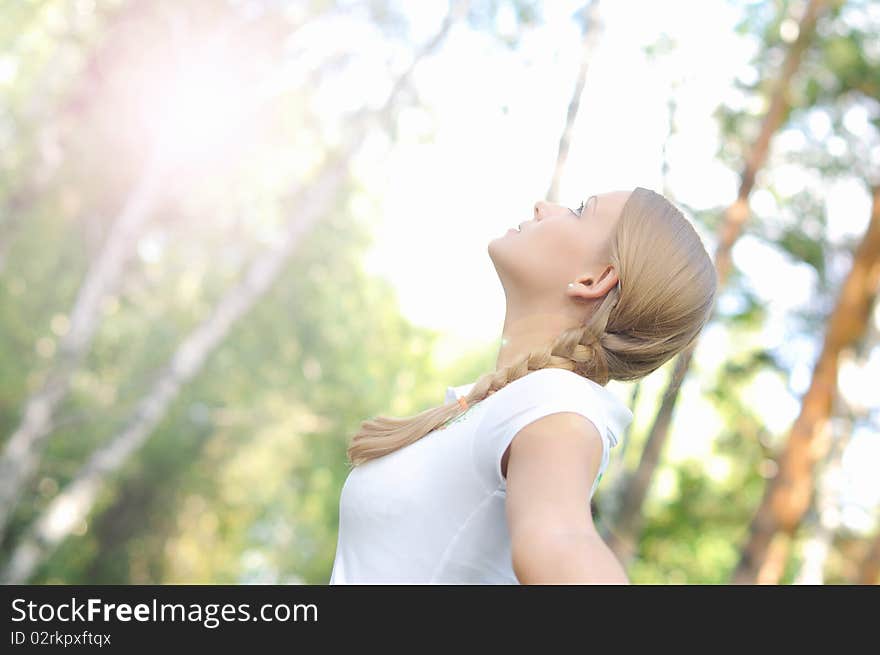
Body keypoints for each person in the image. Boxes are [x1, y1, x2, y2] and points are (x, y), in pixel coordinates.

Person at [329, 187, 717, 584]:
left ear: (594, 279)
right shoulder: (507, 403)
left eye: (580, 210)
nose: (543, 207)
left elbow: (564, 542)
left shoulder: (557, 403)